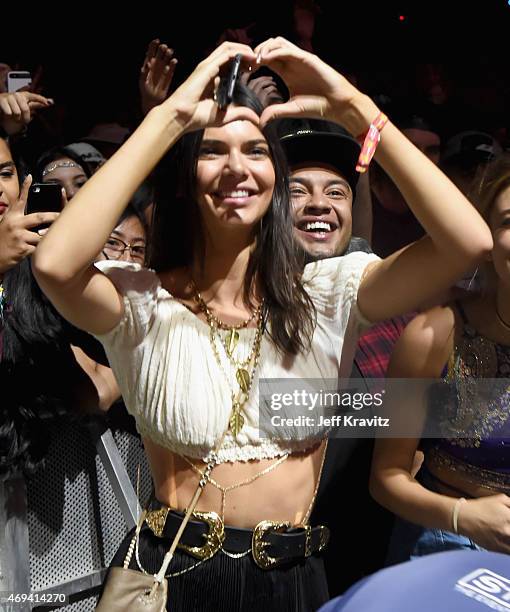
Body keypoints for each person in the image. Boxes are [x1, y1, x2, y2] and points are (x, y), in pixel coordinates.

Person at [32, 39, 492, 610]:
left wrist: (354, 105)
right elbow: (53, 263)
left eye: (255, 150)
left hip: (294, 578)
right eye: (213, 151)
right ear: (184, 176)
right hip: (175, 575)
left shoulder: (329, 294)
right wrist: (170, 116)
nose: (236, 168)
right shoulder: (143, 307)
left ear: (273, 175)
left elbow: (468, 241)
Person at [370, 154, 510, 564]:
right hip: (448, 544)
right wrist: (463, 516)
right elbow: (385, 478)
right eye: (508, 221)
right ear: (486, 243)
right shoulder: (434, 337)